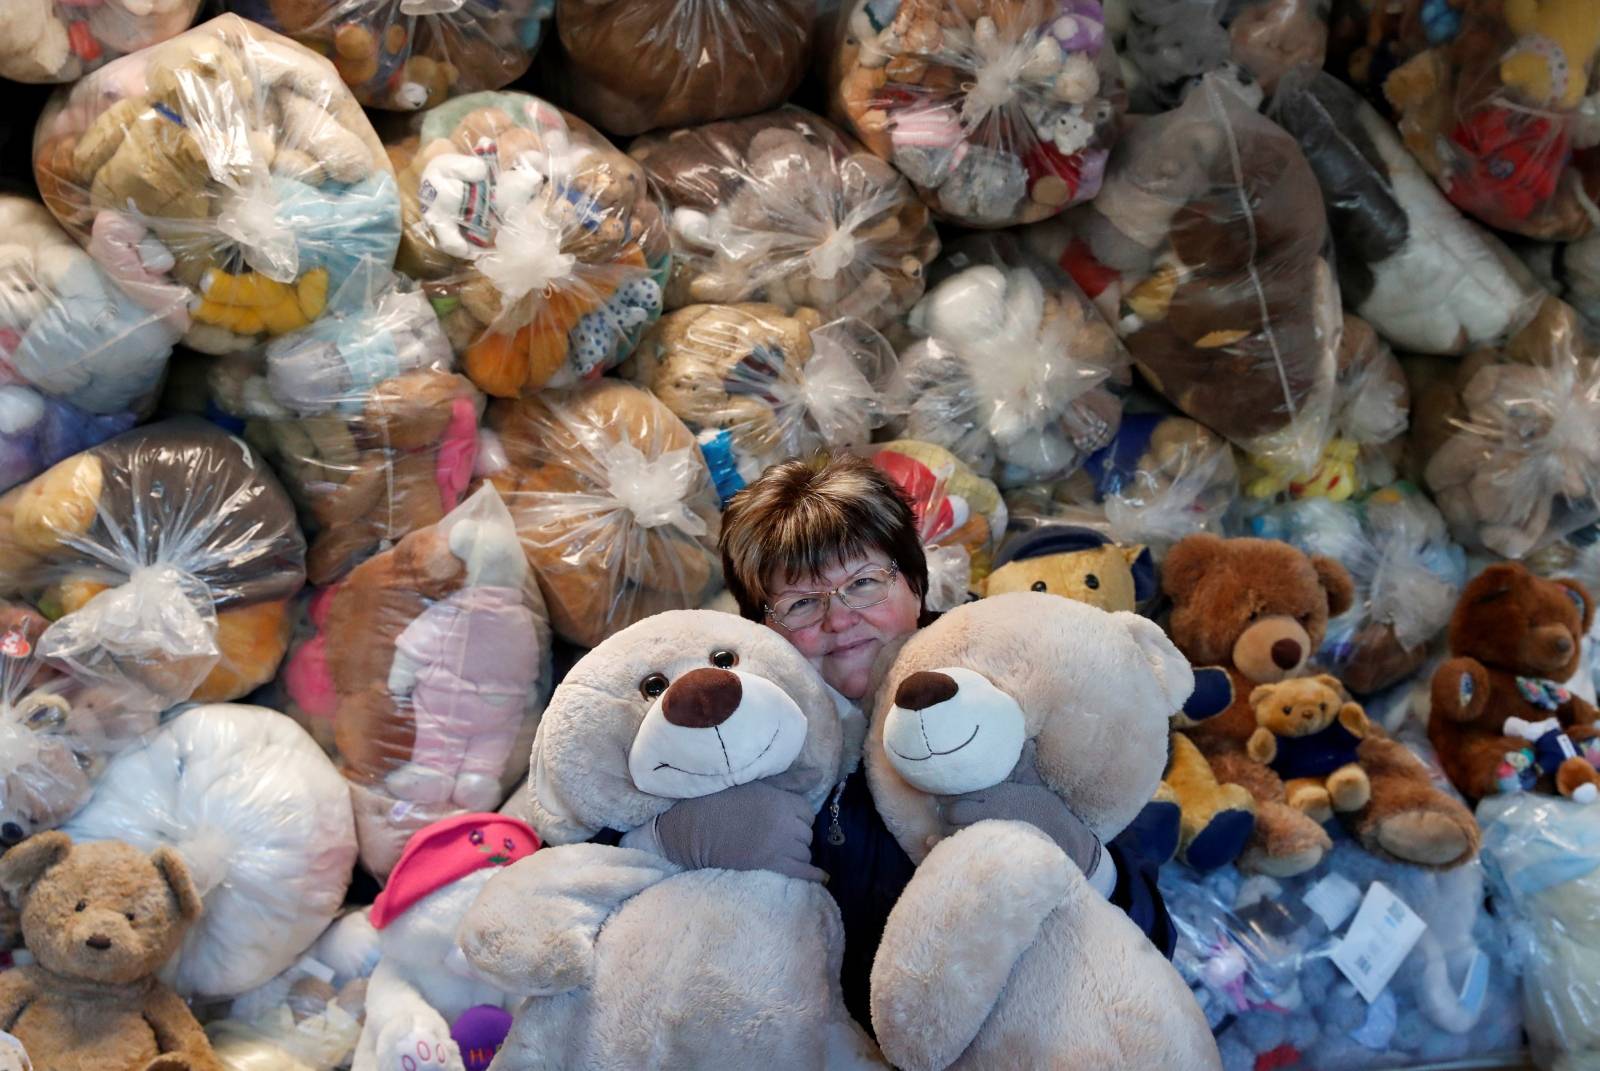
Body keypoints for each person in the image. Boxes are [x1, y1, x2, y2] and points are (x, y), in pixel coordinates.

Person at [619, 453, 1177, 1029]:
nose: (839, 620)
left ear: (914, 579)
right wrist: (665, 841)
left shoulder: (1018, 680)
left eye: (863, 583)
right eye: (802, 602)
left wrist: (1086, 862)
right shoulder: (737, 724)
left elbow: (1154, 941)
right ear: (761, 627)